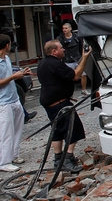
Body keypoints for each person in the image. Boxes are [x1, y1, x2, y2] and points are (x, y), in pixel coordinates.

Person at [37, 39, 91, 173]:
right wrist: (84, 58)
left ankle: (58, 159)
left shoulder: (43, 63)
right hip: (59, 104)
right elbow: (76, 75)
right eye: (61, 48)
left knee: (57, 131)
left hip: (51, 102)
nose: (64, 50)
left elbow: (56, 80)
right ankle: (67, 158)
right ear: (54, 51)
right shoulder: (55, 64)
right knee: (74, 129)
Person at [0, 34, 30, 172]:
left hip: (14, 99)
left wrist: (21, 73)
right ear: (7, 45)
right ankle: (3, 162)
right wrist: (13, 76)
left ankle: (14, 155)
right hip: (3, 102)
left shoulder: (6, 58)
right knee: (6, 132)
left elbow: (8, 74)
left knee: (17, 129)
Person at [57, 23, 89, 96]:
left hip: (77, 59)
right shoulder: (60, 38)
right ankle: (68, 92)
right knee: (68, 77)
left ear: (70, 28)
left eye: (66, 28)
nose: (64, 30)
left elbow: (81, 47)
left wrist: (82, 56)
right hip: (67, 60)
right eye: (63, 28)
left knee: (83, 74)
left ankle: (84, 90)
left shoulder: (77, 37)